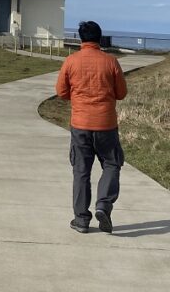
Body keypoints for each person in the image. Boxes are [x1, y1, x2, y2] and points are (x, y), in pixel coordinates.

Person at [55, 20, 128, 234]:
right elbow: (121, 93)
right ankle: (103, 205)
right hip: (106, 124)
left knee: (81, 171)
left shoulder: (71, 61)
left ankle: (81, 219)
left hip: (80, 124)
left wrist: (78, 96)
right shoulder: (111, 61)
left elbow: (61, 92)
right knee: (112, 164)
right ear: (99, 38)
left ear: (81, 38)